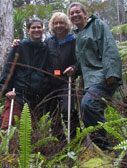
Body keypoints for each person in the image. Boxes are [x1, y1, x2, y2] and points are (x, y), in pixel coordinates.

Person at [67, 2, 122, 150]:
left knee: (88, 105)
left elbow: (109, 47)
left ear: (85, 14)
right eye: (71, 13)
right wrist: (74, 69)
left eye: (77, 11)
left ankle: (106, 149)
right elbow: (83, 62)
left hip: (104, 75)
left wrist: (112, 74)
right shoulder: (77, 36)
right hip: (89, 81)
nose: (74, 15)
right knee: (86, 110)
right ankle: (100, 148)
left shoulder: (97, 25)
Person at [0, 17, 49, 130]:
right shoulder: (19, 47)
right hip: (17, 95)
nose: (36, 30)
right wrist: (6, 89)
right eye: (33, 27)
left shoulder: (46, 48)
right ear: (28, 30)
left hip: (37, 98)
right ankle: (6, 148)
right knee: (9, 127)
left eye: (39, 27)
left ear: (43, 30)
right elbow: (8, 68)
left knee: (31, 133)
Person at [45, 12, 80, 143]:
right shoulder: (48, 41)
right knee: (53, 115)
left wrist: (74, 68)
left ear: (66, 24)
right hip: (50, 82)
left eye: (61, 22)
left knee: (68, 110)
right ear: (52, 25)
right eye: (56, 23)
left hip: (66, 81)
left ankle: (77, 139)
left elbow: (80, 60)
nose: (58, 25)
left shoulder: (73, 41)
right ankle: (60, 143)